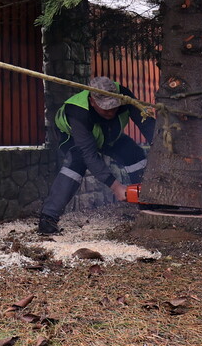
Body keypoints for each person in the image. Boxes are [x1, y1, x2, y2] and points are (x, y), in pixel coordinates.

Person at [37, 76, 155, 234]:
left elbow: (146, 122)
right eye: (106, 108)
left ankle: (149, 204)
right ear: (92, 101)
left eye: (114, 106)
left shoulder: (124, 95)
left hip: (108, 134)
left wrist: (160, 144)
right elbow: (89, 155)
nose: (111, 111)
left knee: (133, 152)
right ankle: (48, 218)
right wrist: (116, 187)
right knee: (77, 162)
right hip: (73, 138)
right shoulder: (77, 110)